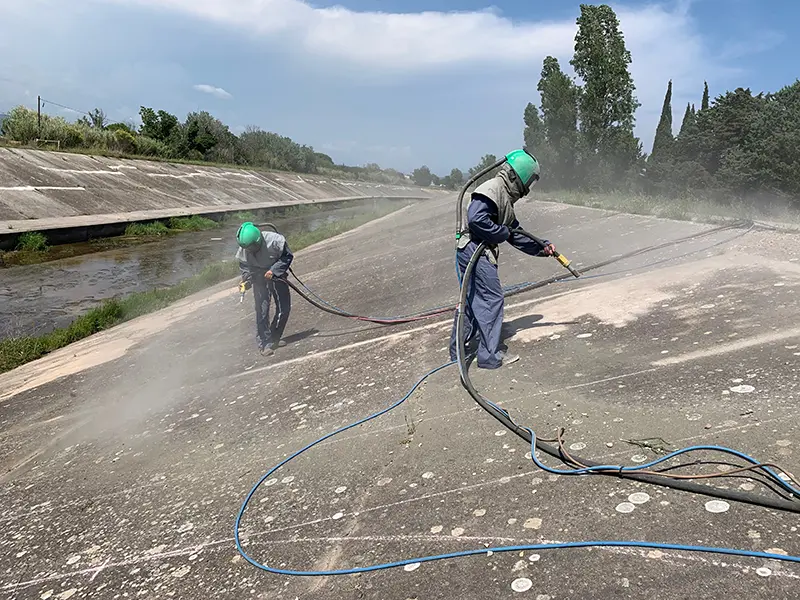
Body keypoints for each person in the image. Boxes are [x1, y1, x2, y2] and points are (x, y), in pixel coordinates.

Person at [449, 149, 556, 369]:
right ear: (518, 176)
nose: (528, 189)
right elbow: (476, 219)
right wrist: (501, 233)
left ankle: (459, 349)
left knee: (471, 300)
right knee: (491, 299)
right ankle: (490, 356)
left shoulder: (503, 196)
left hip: (471, 251)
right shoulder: (494, 189)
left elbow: (515, 233)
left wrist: (540, 247)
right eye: (529, 182)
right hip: (474, 251)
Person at [235, 222, 294, 356]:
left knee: (284, 308)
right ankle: (264, 343)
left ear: (259, 239)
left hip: (276, 275)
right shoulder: (244, 249)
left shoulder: (275, 241)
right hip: (258, 278)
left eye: (253, 247)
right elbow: (245, 268)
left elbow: (287, 256)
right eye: (248, 248)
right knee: (262, 311)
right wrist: (247, 281)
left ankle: (274, 338)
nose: (251, 250)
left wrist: (274, 270)